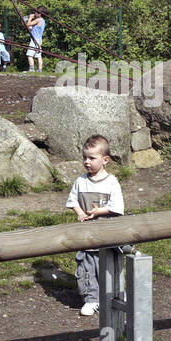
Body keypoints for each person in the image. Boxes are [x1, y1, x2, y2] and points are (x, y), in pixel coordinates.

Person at [65, 135, 125, 317]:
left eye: (92, 158)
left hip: (107, 236)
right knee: (88, 268)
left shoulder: (111, 182)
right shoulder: (80, 181)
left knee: (110, 267)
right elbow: (72, 199)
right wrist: (80, 212)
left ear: (105, 160)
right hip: (87, 235)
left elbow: (118, 206)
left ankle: (117, 295)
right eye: (85, 157)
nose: (87, 162)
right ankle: (92, 299)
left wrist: (99, 211)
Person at [24, 8, 47, 72]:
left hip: (34, 40)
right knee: (38, 55)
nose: (35, 13)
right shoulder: (43, 21)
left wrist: (30, 18)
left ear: (40, 14)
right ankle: (40, 69)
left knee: (29, 55)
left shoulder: (38, 20)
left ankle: (31, 69)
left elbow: (28, 24)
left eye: (36, 12)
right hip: (39, 40)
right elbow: (35, 29)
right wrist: (31, 28)